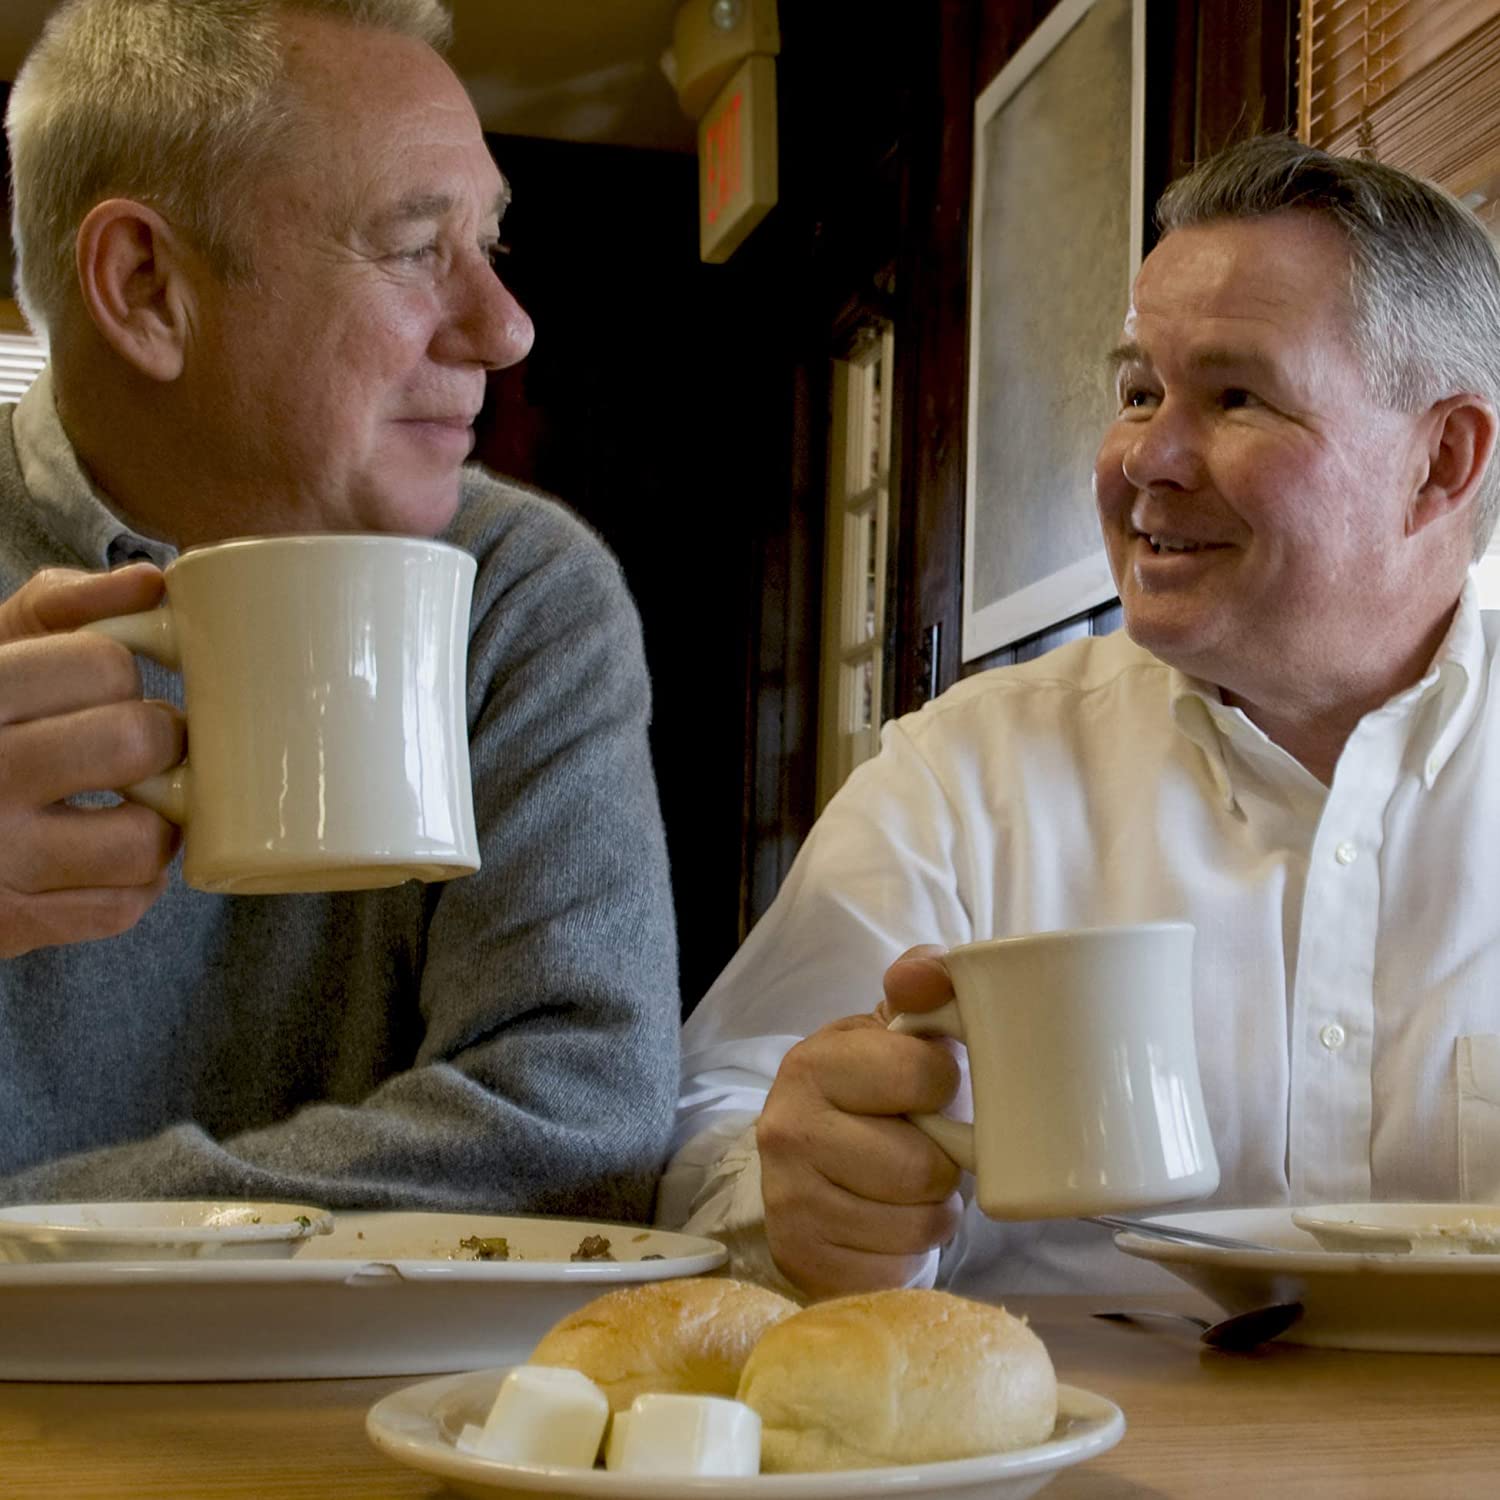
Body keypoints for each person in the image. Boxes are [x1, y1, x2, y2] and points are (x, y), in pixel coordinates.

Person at [660, 133, 1500, 1298]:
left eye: (1236, 396)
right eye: (1140, 391)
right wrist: (795, 1200)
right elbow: (708, 1144)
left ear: (1442, 462)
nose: (1144, 459)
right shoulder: (963, 778)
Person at [0, 0, 680, 1221]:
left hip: (404, 1407)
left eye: (491, 247)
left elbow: (579, 1115)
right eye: (418, 249)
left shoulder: (520, 591)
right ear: (146, 286)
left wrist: (49, 1239)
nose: (507, 328)